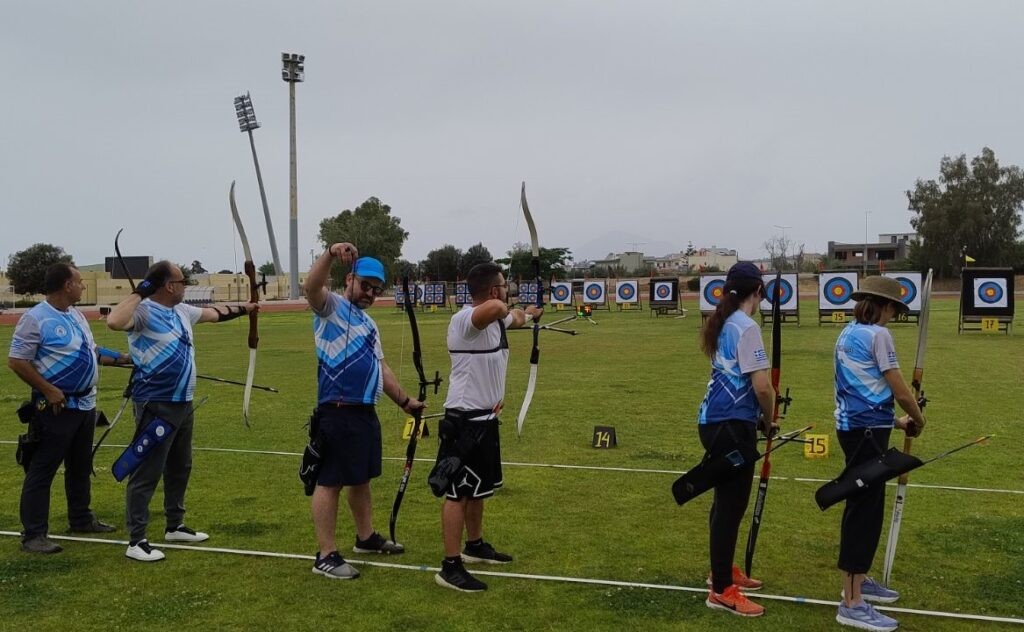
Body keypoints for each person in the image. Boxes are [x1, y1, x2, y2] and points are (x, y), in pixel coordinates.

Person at [106, 261, 257, 562]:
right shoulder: (144, 312)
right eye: (181, 280)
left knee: (180, 466)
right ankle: (136, 540)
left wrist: (248, 308)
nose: (186, 284)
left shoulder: (183, 311)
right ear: (168, 286)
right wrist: (140, 292)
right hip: (155, 403)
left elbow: (216, 314)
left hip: (183, 402)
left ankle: (175, 525)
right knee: (147, 470)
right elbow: (113, 321)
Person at [304, 243, 425, 580]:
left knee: (361, 478)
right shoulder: (330, 307)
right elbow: (311, 287)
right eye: (365, 285)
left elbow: (381, 368)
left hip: (364, 413)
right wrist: (329, 253)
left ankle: (366, 537)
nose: (370, 292)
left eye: (375, 288)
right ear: (349, 280)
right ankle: (325, 555)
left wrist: (405, 402)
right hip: (337, 411)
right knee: (330, 481)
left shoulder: (370, 324)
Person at [432, 262, 542, 593]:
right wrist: (504, 304)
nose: (507, 291)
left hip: (486, 418)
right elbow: (496, 308)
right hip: (464, 420)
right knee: (457, 492)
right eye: (504, 286)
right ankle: (450, 566)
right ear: (494, 291)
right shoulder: (465, 320)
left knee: (478, 488)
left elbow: (515, 318)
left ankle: (474, 545)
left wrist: (531, 313)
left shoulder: (496, 319)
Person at [8, 263, 128, 553]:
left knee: (80, 466)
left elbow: (92, 351)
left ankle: (81, 518)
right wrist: (49, 390)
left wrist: (123, 358)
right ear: (66, 285)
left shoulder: (76, 315)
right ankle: (34, 534)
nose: (83, 285)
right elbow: (17, 360)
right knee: (43, 469)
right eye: (79, 281)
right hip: (56, 409)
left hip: (85, 405)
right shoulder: (35, 318)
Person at [833, 276, 926, 632]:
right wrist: (917, 416)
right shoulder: (878, 335)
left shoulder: (848, 332)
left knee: (864, 503)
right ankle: (851, 601)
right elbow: (899, 387)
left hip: (857, 429)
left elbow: (862, 388)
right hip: (866, 433)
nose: (894, 316)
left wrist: (899, 423)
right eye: (894, 309)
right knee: (864, 510)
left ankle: (859, 581)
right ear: (884, 306)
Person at [696, 261, 775, 617]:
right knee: (730, 506)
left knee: (726, 503)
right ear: (757, 291)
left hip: (717, 422)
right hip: (730, 425)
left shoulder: (726, 321)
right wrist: (769, 418)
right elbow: (762, 385)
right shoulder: (746, 326)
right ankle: (721, 590)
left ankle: (722, 572)